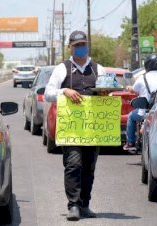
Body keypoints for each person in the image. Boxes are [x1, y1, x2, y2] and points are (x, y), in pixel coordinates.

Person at [44, 30, 106, 221]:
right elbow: (48, 93)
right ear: (70, 47)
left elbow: (108, 91)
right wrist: (64, 91)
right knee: (73, 164)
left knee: (89, 167)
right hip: (70, 128)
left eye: (83, 44)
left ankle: (85, 205)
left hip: (92, 128)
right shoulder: (62, 68)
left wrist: (105, 93)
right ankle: (73, 205)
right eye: (77, 45)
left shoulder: (98, 69)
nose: (81, 48)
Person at [123, 54, 157, 153]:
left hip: (144, 111)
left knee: (131, 117)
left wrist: (129, 88)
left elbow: (134, 90)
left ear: (146, 65)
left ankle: (130, 143)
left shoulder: (142, 78)